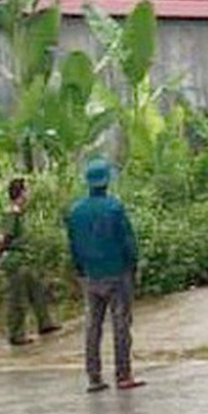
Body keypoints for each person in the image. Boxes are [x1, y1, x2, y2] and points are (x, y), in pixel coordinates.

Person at [66, 157, 144, 393]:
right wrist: (133, 265)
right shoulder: (114, 208)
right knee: (121, 324)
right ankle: (123, 374)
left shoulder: (76, 211)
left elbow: (73, 245)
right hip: (117, 273)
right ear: (107, 181)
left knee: (92, 326)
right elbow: (128, 242)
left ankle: (94, 376)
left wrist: (80, 269)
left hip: (90, 275)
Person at [0, 178, 60, 346]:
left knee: (37, 290)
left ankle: (45, 322)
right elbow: (4, 236)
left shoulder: (20, 213)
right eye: (27, 190)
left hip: (25, 259)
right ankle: (16, 333)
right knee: (18, 298)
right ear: (20, 193)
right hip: (15, 260)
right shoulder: (11, 214)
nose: (29, 193)